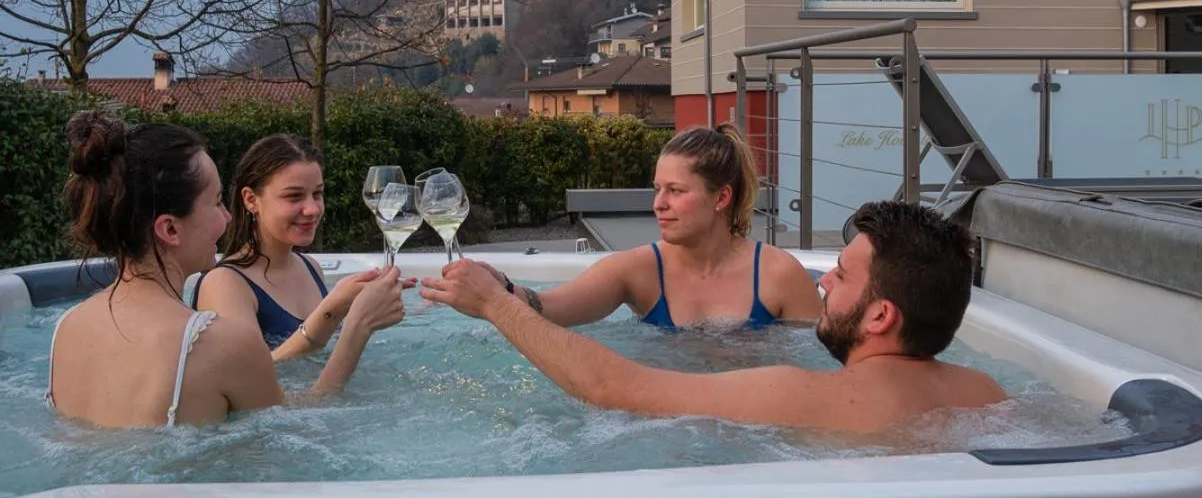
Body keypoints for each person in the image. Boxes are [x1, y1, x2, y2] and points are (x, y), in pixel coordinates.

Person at [420, 200, 1006, 434]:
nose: (823, 282)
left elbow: (611, 387)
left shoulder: (807, 394)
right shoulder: (986, 393)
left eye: (841, 275)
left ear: (880, 316)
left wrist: (495, 304)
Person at [47, 112, 406, 429]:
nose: (228, 217)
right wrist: (358, 327)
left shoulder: (67, 328)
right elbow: (299, 429)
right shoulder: (221, 343)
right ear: (170, 229)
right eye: (217, 202)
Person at [482, 123, 821, 329]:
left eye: (675, 191)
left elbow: (820, 370)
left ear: (721, 198)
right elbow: (552, 308)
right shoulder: (638, 271)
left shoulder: (779, 275)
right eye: (657, 189)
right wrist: (501, 289)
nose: (658, 203)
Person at [192, 134, 413, 359]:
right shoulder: (224, 284)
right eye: (294, 196)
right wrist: (339, 315)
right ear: (251, 200)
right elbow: (244, 377)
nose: (312, 209)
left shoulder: (310, 267)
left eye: (317, 194)